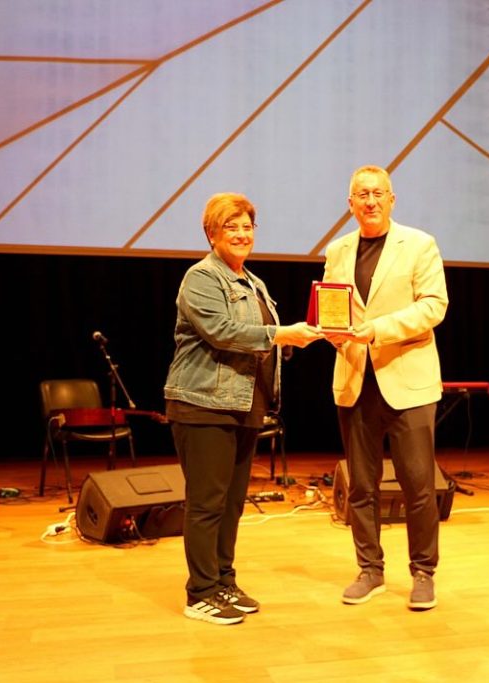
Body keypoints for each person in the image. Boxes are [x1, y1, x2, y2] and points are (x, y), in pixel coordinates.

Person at [164, 192, 322, 625]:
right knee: (206, 503)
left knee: (232, 503)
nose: (241, 234)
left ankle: (223, 581)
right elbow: (222, 331)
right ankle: (200, 593)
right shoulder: (201, 277)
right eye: (230, 226)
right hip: (203, 404)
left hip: (246, 405)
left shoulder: (254, 282)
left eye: (247, 226)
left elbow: (262, 339)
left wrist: (296, 340)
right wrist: (282, 335)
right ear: (211, 234)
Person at [322, 165, 449, 610]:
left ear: (392, 199)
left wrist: (377, 329)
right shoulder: (337, 250)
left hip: (407, 381)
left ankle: (423, 573)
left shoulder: (419, 244)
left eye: (378, 193)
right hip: (356, 379)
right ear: (350, 203)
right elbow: (333, 308)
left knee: (418, 485)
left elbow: (434, 306)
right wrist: (330, 330)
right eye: (362, 194)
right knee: (361, 486)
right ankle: (370, 570)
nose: (370, 201)